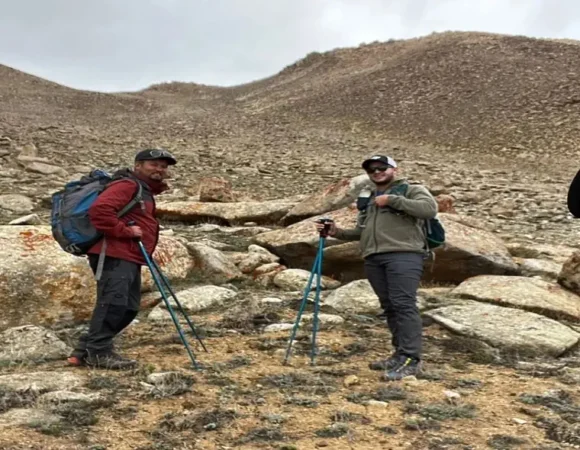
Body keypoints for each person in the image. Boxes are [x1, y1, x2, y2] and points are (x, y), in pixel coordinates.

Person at [316, 155, 438, 381]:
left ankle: (412, 359)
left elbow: (429, 209)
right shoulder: (369, 197)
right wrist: (336, 232)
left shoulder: (411, 189)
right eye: (372, 170)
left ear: (394, 169)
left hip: (404, 254)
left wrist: (393, 201)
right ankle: (399, 354)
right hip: (374, 257)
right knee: (390, 306)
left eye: (382, 168)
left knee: (403, 304)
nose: (377, 172)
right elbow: (362, 231)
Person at [67, 148, 176, 370]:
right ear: (138, 165)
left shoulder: (143, 190)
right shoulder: (128, 185)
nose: (159, 169)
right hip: (113, 253)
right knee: (114, 303)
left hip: (128, 254)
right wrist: (126, 232)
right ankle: (99, 353)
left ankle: (83, 352)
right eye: (153, 164)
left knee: (128, 306)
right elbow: (100, 210)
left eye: (163, 166)